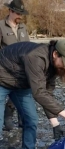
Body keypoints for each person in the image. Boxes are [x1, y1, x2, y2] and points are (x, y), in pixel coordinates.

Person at [0, 39, 65, 149]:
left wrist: (55, 124)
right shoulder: (36, 57)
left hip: (20, 84)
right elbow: (38, 93)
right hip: (2, 77)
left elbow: (47, 94)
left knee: (31, 120)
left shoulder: (54, 66)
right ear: (56, 54)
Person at [0, 0, 30, 131]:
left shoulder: (23, 27)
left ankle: (21, 120)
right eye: (18, 13)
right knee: (9, 92)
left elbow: (28, 48)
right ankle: (7, 118)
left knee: (21, 94)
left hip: (22, 70)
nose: (20, 16)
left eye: (21, 13)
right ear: (10, 11)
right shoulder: (1, 26)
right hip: (5, 70)